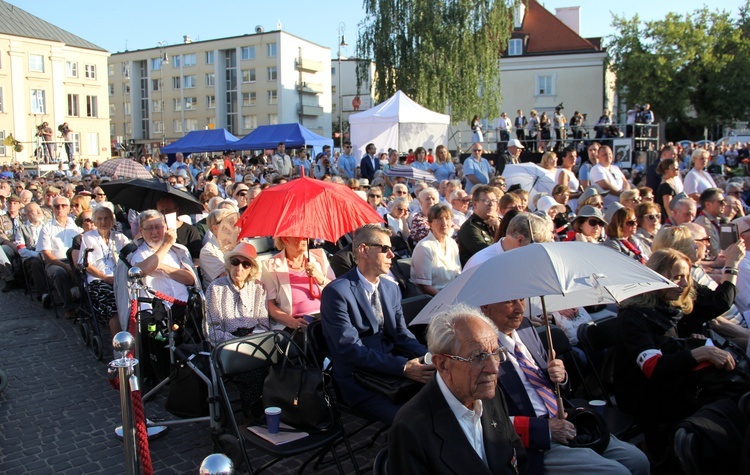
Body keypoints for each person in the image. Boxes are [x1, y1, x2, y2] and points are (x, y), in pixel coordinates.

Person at [481, 298, 650, 475]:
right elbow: (485, 419)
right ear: (486, 306)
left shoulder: (524, 327)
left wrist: (559, 376)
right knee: (615, 472)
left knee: (637, 460)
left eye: (522, 300)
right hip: (534, 442)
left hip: (568, 419)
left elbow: (556, 386)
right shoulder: (480, 348)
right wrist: (545, 429)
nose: (519, 309)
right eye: (509, 302)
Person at [614, 248, 749, 457]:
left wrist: (689, 345)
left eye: (686, 276)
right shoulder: (633, 316)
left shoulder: (670, 306)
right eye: (677, 277)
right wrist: (700, 354)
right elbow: (653, 367)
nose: (685, 284)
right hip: (645, 395)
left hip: (674, 384)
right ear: (656, 277)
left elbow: (669, 348)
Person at [388, 304, 528, 474]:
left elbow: (517, 458)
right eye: (479, 357)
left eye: (496, 353)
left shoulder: (491, 394)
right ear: (443, 364)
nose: (493, 368)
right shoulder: (411, 428)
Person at [321, 224, 432, 423]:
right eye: (385, 249)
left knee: (448, 398)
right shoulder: (337, 292)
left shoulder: (390, 288)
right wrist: (403, 367)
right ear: (363, 250)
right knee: (415, 421)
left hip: (392, 372)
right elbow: (350, 350)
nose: (392, 255)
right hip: (359, 380)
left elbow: (401, 335)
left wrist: (429, 357)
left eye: (392, 249)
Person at [261, 236, 334, 330]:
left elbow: (336, 289)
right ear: (285, 239)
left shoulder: (319, 256)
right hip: (295, 322)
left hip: (326, 316)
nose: (305, 238)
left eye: (306, 235)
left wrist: (318, 276)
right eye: (300, 236)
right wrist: (292, 322)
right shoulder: (270, 265)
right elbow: (269, 304)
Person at [205, 242, 270, 345]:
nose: (239, 268)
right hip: (226, 344)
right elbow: (212, 331)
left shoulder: (259, 288)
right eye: (235, 262)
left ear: (251, 269)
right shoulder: (215, 288)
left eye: (246, 264)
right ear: (229, 264)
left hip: (255, 342)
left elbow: (264, 325)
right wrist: (237, 341)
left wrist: (253, 339)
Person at [79, 203, 129, 335]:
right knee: (112, 300)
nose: (103, 222)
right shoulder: (88, 237)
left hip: (119, 278)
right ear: (95, 221)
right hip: (98, 279)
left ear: (112, 220)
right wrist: (105, 277)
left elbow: (131, 254)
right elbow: (86, 264)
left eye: (107, 218)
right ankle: (119, 344)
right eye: (100, 219)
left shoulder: (119, 237)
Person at [37, 196, 82, 318]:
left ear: (69, 208)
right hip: (55, 262)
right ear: (52, 209)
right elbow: (47, 254)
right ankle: (69, 307)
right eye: (56, 206)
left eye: (63, 206)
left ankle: (87, 304)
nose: (60, 208)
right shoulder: (47, 228)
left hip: (75, 259)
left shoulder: (76, 225)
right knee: (60, 273)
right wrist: (65, 266)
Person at [465, 213, 551, 270]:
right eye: (535, 245)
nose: (537, 251)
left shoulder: (523, 261)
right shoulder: (483, 263)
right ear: (520, 240)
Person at [410, 204, 461, 296]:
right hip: (434, 298)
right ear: (430, 224)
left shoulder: (452, 243)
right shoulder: (424, 247)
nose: (444, 223)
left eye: (447, 218)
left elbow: (458, 275)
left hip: (453, 293)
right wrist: (445, 299)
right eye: (439, 219)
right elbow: (425, 287)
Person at [457, 185, 500, 266]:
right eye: (487, 201)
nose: (491, 204)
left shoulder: (497, 223)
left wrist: (499, 228)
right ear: (475, 205)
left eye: (494, 201)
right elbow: (486, 254)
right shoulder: (470, 227)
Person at [199, 209, 239, 286]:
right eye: (228, 222)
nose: (233, 225)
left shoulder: (239, 244)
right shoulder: (207, 251)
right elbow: (225, 279)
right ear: (215, 228)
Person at [693, 187, 726, 260]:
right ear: (708, 204)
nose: (724, 204)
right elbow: (715, 252)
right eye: (721, 202)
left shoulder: (717, 220)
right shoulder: (703, 223)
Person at [655, 158, 679, 223]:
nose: (677, 170)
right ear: (667, 171)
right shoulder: (666, 186)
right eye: (675, 168)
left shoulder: (671, 182)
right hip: (666, 218)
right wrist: (673, 221)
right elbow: (668, 206)